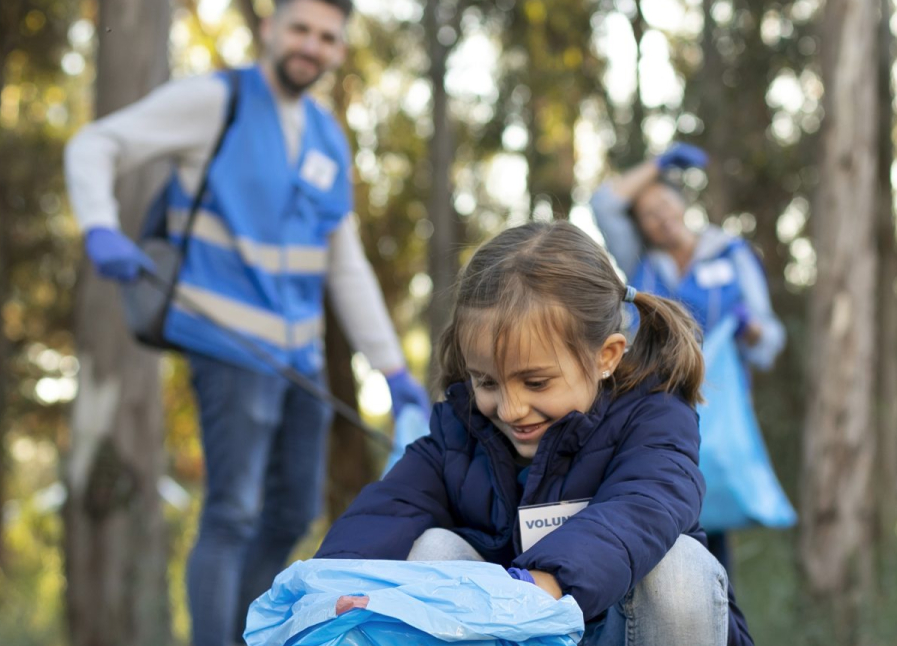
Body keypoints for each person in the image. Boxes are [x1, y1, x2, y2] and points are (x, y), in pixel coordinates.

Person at [62, 0, 427, 641]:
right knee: (231, 512)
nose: (310, 46)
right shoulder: (215, 102)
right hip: (228, 348)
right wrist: (98, 224)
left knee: (292, 514)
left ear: (339, 49)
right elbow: (96, 144)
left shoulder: (326, 138)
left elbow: (346, 266)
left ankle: (246, 632)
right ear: (269, 29)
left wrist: (392, 367)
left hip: (302, 360)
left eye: (327, 37)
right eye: (300, 30)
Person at [316, 222, 753, 646]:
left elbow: (643, 505)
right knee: (434, 549)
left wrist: (545, 582)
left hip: (621, 628)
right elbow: (390, 509)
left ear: (606, 356)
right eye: (487, 382)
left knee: (680, 566)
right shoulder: (461, 432)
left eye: (536, 383)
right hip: (511, 628)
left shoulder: (654, 417)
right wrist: (331, 586)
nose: (509, 409)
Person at [590, 143, 785, 570]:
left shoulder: (732, 255)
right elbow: (604, 203)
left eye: (663, 203)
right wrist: (658, 164)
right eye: (646, 214)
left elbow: (771, 340)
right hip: (653, 406)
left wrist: (751, 328)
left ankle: (719, 626)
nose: (659, 217)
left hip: (716, 409)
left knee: (709, 529)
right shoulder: (641, 262)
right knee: (659, 513)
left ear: (682, 203)